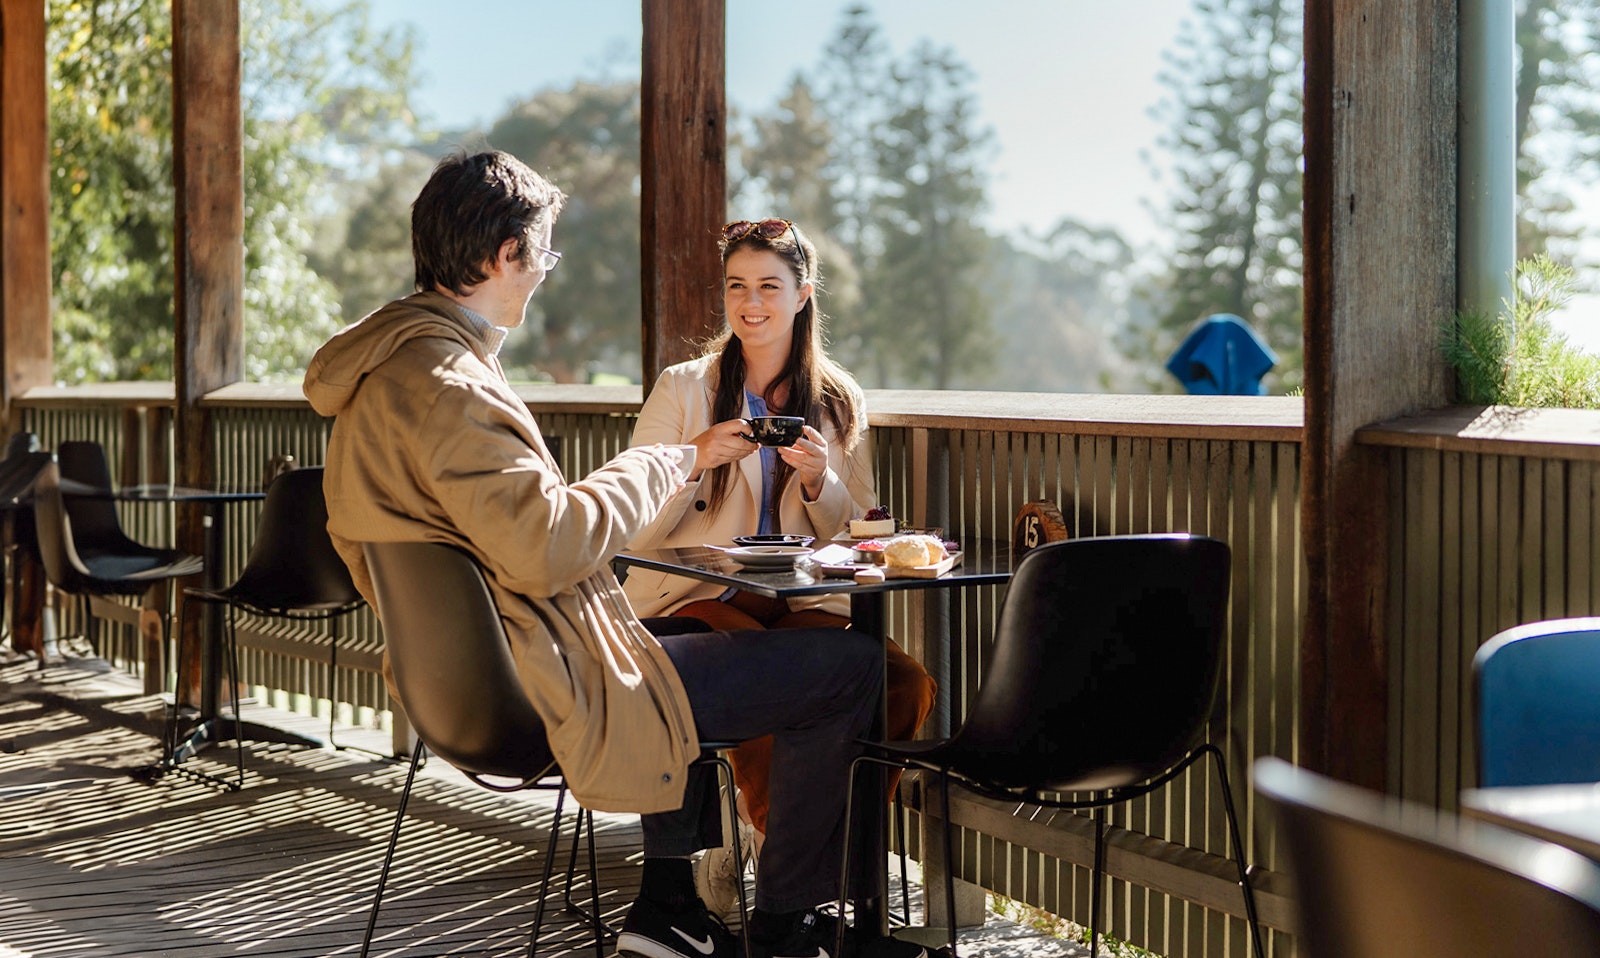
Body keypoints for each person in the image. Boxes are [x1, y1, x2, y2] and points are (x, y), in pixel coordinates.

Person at [303, 151, 926, 958]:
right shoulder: (451, 382)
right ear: (507, 255)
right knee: (850, 670)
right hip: (551, 675)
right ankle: (778, 923)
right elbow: (549, 546)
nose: (544, 273)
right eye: (545, 253)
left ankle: (676, 910)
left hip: (475, 679)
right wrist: (676, 459)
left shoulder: (395, 373)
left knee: (822, 661)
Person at [625, 219, 937, 919]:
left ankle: (789, 854)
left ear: (803, 295)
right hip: (696, 598)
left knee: (904, 685)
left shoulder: (838, 398)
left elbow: (862, 536)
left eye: (769, 286)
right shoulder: (683, 389)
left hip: (802, 603)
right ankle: (790, 886)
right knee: (782, 676)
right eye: (737, 286)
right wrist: (694, 459)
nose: (751, 302)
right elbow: (631, 527)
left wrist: (823, 481)